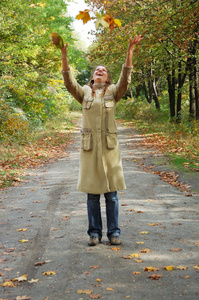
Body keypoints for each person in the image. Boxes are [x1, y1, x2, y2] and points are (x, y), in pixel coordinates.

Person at [60, 35, 143, 246]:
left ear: (107, 78)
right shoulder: (85, 92)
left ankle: (114, 232)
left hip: (109, 149)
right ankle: (94, 234)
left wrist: (129, 51)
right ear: (92, 76)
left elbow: (125, 79)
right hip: (89, 149)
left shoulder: (114, 92)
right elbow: (69, 82)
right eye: (97, 69)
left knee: (111, 194)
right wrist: (64, 54)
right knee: (92, 195)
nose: (100, 70)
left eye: (103, 70)